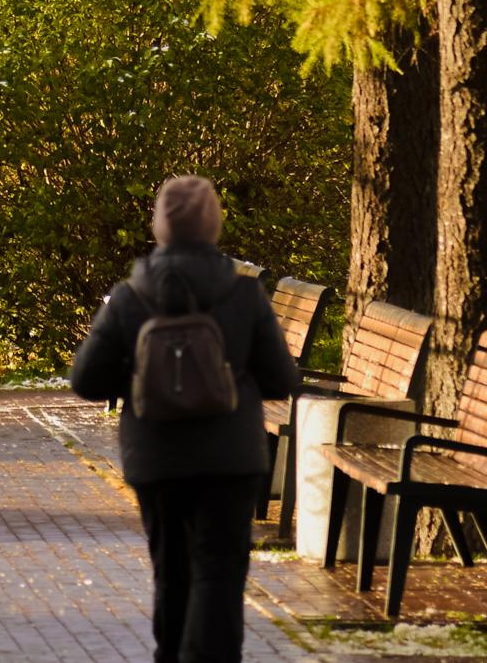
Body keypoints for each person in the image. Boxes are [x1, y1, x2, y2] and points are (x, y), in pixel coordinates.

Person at [70, 175, 295, 663]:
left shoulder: (130, 296)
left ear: (160, 226)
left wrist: (142, 382)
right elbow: (280, 380)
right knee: (220, 570)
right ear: (214, 225)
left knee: (170, 570)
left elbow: (87, 380)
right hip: (231, 458)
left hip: (156, 457)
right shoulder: (243, 295)